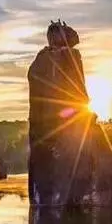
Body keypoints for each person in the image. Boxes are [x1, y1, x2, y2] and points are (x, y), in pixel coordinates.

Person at [27, 21, 93, 205]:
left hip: (42, 122)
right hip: (61, 120)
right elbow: (78, 85)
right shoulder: (64, 56)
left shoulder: (41, 58)